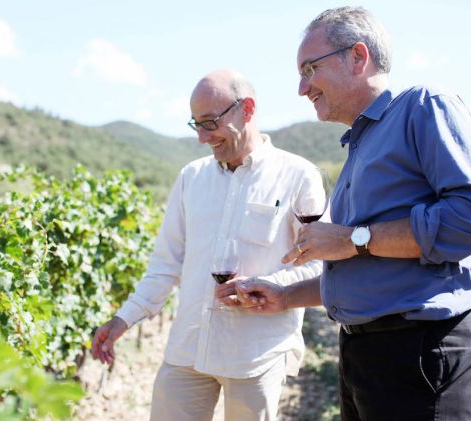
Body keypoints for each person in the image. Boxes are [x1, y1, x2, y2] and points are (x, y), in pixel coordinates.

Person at [228, 6, 471, 421]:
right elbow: (370, 270)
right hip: (369, 355)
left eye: (310, 68)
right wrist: (286, 296)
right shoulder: (360, 144)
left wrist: (352, 238)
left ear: (358, 57)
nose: (302, 87)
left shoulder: (424, 107)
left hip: (421, 350)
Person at [91, 69, 324, 421]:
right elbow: (165, 264)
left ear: (247, 109)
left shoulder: (298, 175)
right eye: (196, 125)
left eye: (210, 123)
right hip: (188, 348)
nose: (202, 137)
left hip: (255, 355)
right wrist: (124, 319)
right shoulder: (191, 178)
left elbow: (318, 263)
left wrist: (271, 286)